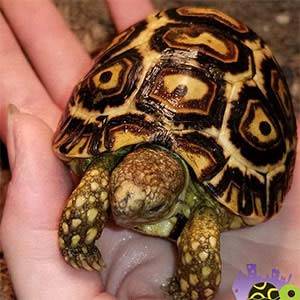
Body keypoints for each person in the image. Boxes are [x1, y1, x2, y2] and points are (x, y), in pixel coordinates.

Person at [0, 1, 299, 299]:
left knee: (201, 242)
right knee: (97, 182)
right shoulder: (108, 166)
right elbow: (103, 190)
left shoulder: (206, 209)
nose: (122, 211)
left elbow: (202, 256)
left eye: (150, 207)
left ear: (171, 195)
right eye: (117, 195)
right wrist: (76, 241)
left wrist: (193, 289)